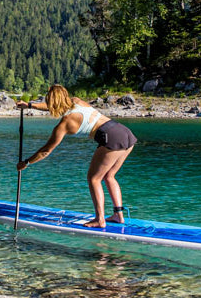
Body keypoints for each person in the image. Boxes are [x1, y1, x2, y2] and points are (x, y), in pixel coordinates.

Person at [16, 84, 137, 228]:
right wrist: (29, 105)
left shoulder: (66, 123)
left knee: (94, 179)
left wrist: (27, 162)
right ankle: (118, 215)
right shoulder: (76, 101)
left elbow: (45, 151)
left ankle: (100, 219)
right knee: (109, 176)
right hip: (124, 132)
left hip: (110, 138)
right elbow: (55, 106)